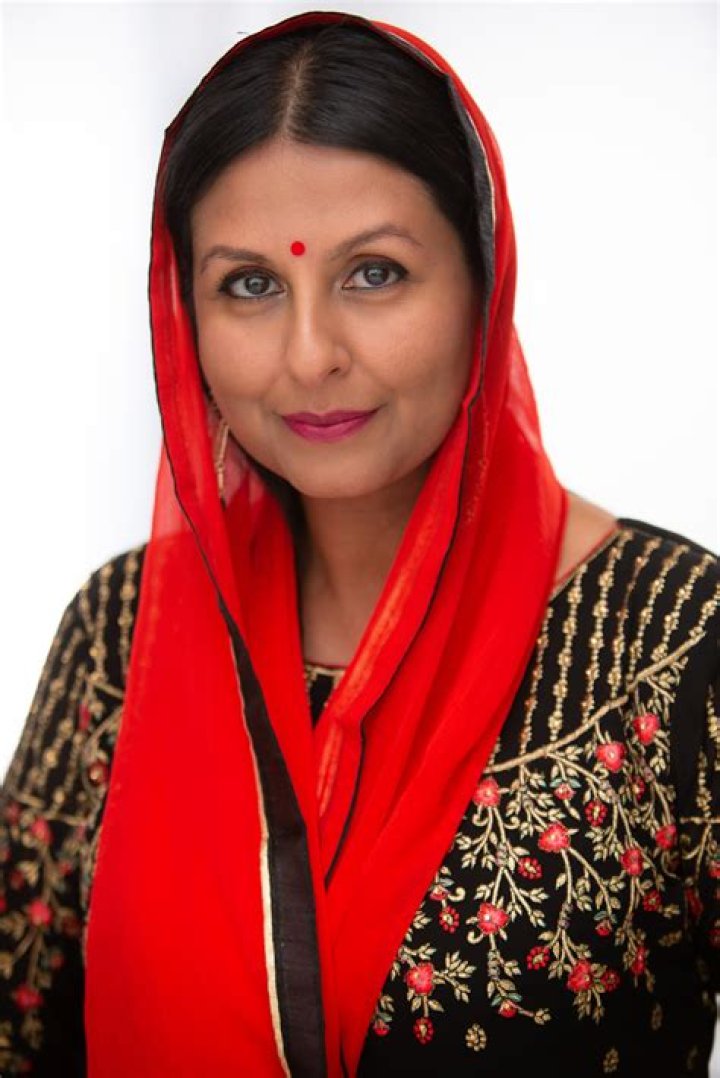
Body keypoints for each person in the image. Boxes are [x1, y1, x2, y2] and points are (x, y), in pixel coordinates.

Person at [1, 9, 717, 1076]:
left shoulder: (674, 644)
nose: (310, 356)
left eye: (373, 273)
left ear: (483, 281)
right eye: (250, 284)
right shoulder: (123, 633)